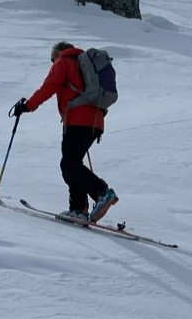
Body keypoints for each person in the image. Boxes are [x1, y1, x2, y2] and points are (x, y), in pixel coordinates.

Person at [12, 41, 117, 223]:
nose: (53, 64)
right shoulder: (84, 64)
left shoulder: (63, 62)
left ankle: (101, 193)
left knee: (69, 164)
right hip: (96, 121)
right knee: (71, 164)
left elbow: (49, 87)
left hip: (77, 119)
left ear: (59, 52)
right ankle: (78, 209)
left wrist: (27, 106)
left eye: (52, 60)